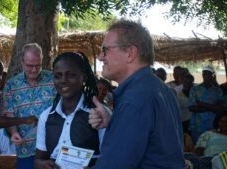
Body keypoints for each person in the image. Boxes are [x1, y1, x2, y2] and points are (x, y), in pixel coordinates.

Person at [88, 19, 185, 168]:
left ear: (130, 53)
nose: (101, 57)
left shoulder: (135, 100)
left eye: (105, 49)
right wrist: (114, 121)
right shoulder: (161, 89)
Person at [35, 52, 105, 169]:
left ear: (84, 77)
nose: (63, 80)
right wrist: (42, 164)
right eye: (58, 76)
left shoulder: (98, 114)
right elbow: (39, 159)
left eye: (70, 75)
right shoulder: (46, 116)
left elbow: (113, 158)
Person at [3, 43, 56, 169]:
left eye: (38, 65)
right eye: (29, 66)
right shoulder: (12, 85)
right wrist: (14, 132)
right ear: (22, 62)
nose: (34, 70)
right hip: (25, 149)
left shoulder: (53, 79)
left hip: (52, 149)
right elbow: (9, 114)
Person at [188, 65, 224, 143]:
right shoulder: (195, 89)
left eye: (209, 74)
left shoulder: (217, 91)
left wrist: (201, 104)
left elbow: (220, 109)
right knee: (198, 150)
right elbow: (191, 108)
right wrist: (213, 107)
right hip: (198, 127)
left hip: (213, 126)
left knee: (212, 149)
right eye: (205, 74)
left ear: (212, 76)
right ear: (202, 75)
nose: (207, 76)